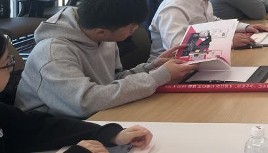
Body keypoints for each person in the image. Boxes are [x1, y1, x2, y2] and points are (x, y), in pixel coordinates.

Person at [15, 0, 196, 119]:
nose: (134, 31)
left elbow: (112, 80)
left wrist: (152, 67)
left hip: (95, 116)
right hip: (48, 129)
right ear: (101, 31)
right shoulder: (52, 53)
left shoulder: (102, 34)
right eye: (131, 28)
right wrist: (159, 77)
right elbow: (85, 102)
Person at [1, 35, 154, 153]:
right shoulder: (53, 50)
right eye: (7, 63)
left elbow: (37, 127)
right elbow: (85, 101)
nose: (11, 69)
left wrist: (110, 134)